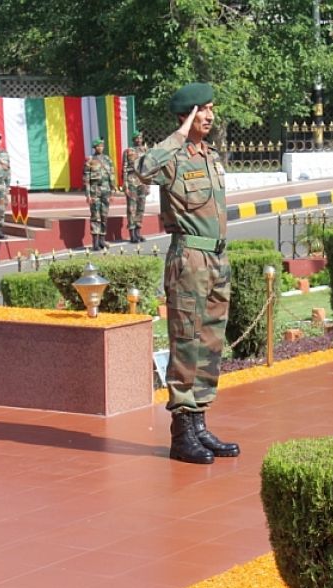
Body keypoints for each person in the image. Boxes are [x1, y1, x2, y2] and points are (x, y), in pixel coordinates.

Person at [136, 81, 240, 465]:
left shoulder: (210, 156)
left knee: (210, 344)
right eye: (203, 110)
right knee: (186, 342)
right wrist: (179, 133)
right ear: (187, 115)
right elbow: (143, 168)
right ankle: (181, 433)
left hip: (216, 260)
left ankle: (199, 423)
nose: (210, 116)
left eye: (212, 109)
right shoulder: (174, 157)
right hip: (189, 261)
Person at [83, 137, 115, 250]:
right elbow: (86, 178)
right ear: (94, 147)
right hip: (94, 190)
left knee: (104, 216)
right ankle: (95, 242)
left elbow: (112, 176)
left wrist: (112, 192)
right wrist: (88, 195)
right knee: (95, 216)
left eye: (102, 146)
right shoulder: (89, 160)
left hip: (106, 190)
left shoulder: (107, 159)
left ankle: (102, 239)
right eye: (98, 146)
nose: (100, 148)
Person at [122, 131, 149, 243]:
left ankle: (138, 232)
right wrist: (125, 185)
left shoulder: (145, 150)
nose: (139, 140)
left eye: (140, 138)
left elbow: (148, 168)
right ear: (133, 140)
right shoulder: (128, 151)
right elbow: (124, 168)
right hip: (132, 180)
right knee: (131, 208)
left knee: (141, 207)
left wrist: (148, 184)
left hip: (142, 181)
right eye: (136, 138)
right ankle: (132, 234)